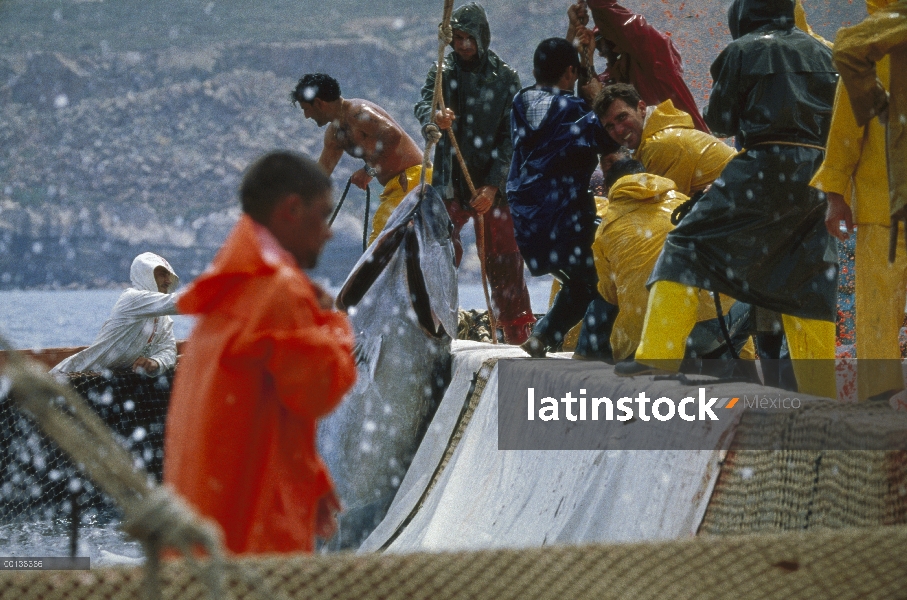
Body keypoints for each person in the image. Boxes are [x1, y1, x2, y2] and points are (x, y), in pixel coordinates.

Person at [601, 0, 840, 399]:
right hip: (818, 176)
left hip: (764, 165)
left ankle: (658, 355)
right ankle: (821, 390)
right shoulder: (826, 52)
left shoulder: (744, 50)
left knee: (684, 247)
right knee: (810, 278)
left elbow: (721, 119)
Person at [164, 151, 357, 554]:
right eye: (322, 216)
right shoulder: (280, 291)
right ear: (291, 209)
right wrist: (333, 321)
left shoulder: (226, 290)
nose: (328, 233)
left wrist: (308, 477)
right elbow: (321, 388)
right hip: (251, 549)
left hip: (201, 537)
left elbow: (254, 411)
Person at [414, 3, 535, 344]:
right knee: (440, 250)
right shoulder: (443, 70)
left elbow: (511, 137)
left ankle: (516, 333)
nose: (464, 45)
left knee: (504, 258)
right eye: (458, 38)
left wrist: (493, 187)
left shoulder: (506, 78)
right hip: (452, 179)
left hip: (492, 182)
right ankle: (433, 325)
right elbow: (424, 102)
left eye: (470, 38)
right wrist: (435, 117)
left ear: (483, 37)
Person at [507, 37, 620, 359]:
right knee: (606, 280)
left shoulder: (521, 102)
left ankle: (542, 337)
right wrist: (596, 98)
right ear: (571, 72)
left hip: (529, 222)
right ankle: (591, 352)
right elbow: (607, 138)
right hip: (563, 219)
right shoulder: (575, 111)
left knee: (582, 281)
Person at [819, 0, 907, 401]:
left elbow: (845, 132)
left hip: (883, 205)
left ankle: (878, 393)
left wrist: (836, 196)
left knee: (877, 307)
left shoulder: (867, 50)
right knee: (876, 305)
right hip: (881, 204)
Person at [592, 158, 754, 363]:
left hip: (642, 339)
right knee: (748, 301)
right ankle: (725, 376)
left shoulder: (605, 229)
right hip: (704, 331)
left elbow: (608, 294)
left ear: (609, 189)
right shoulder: (684, 204)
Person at [291, 73, 427, 245]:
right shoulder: (334, 134)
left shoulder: (358, 112)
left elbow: (392, 135)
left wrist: (368, 170)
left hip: (414, 178)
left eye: (306, 109)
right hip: (397, 187)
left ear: (319, 103)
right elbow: (321, 173)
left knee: (378, 248)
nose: (306, 116)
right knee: (387, 249)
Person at [565, 0, 709, 132]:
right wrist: (586, 59)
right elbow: (589, 115)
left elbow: (618, 20)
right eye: (597, 42)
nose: (602, 46)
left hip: (692, 149)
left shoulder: (656, 56)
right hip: (653, 155)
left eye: (609, 36)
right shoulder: (610, 82)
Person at [593, 83, 736, 197]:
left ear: (641, 108)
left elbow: (663, 211)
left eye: (622, 117)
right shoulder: (659, 132)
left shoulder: (659, 143)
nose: (618, 130)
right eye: (610, 126)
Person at [51, 252, 179, 376]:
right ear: (146, 275)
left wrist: (156, 361)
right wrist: (199, 292)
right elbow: (176, 303)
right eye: (162, 275)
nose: (168, 281)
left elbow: (169, 350)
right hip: (72, 376)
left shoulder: (163, 317)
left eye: (169, 276)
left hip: (109, 382)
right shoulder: (132, 299)